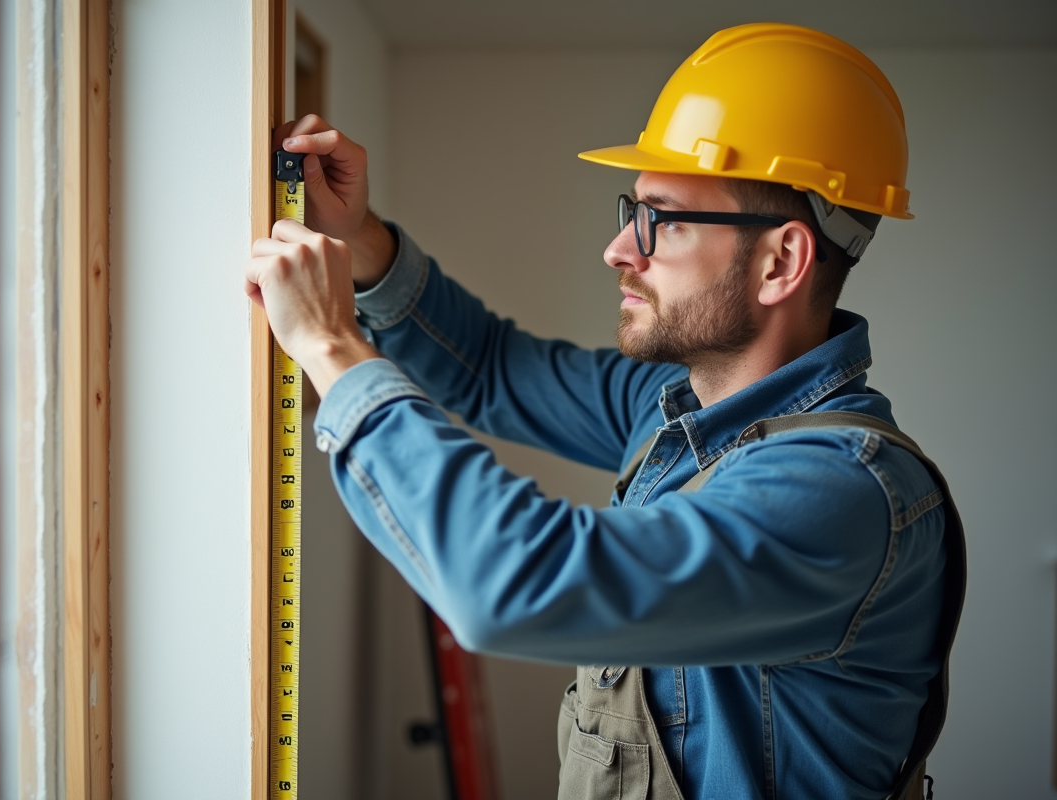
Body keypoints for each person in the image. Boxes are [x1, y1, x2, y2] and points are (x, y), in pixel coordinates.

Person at [243, 22, 964, 800]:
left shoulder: (841, 495)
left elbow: (509, 585)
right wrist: (360, 239)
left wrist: (331, 345)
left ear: (779, 261)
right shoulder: (674, 411)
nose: (620, 248)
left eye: (664, 218)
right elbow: (492, 368)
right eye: (633, 209)